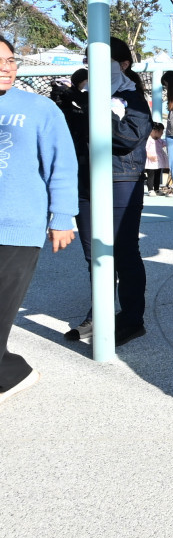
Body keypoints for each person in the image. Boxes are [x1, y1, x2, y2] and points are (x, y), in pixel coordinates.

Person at [0, 34, 77, 406]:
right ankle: (11, 373)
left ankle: (10, 376)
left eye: (11, 60)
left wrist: (63, 216)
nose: (6, 67)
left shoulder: (39, 108)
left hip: (17, 226)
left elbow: (61, 165)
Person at [63, 38, 154, 345]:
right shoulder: (85, 95)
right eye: (89, 62)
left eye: (101, 61)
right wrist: (68, 107)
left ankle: (131, 320)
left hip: (121, 180)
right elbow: (73, 139)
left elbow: (127, 137)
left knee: (124, 251)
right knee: (94, 255)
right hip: (85, 179)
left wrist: (90, 107)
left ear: (123, 64)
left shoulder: (132, 97)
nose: (93, 69)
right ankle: (99, 314)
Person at [144, 123, 167, 193]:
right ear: (155, 131)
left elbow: (166, 143)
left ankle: (156, 189)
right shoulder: (149, 140)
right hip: (151, 162)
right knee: (151, 176)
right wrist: (150, 156)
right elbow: (145, 149)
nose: (161, 134)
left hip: (158, 162)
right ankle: (150, 189)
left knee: (157, 176)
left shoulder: (159, 140)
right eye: (161, 133)